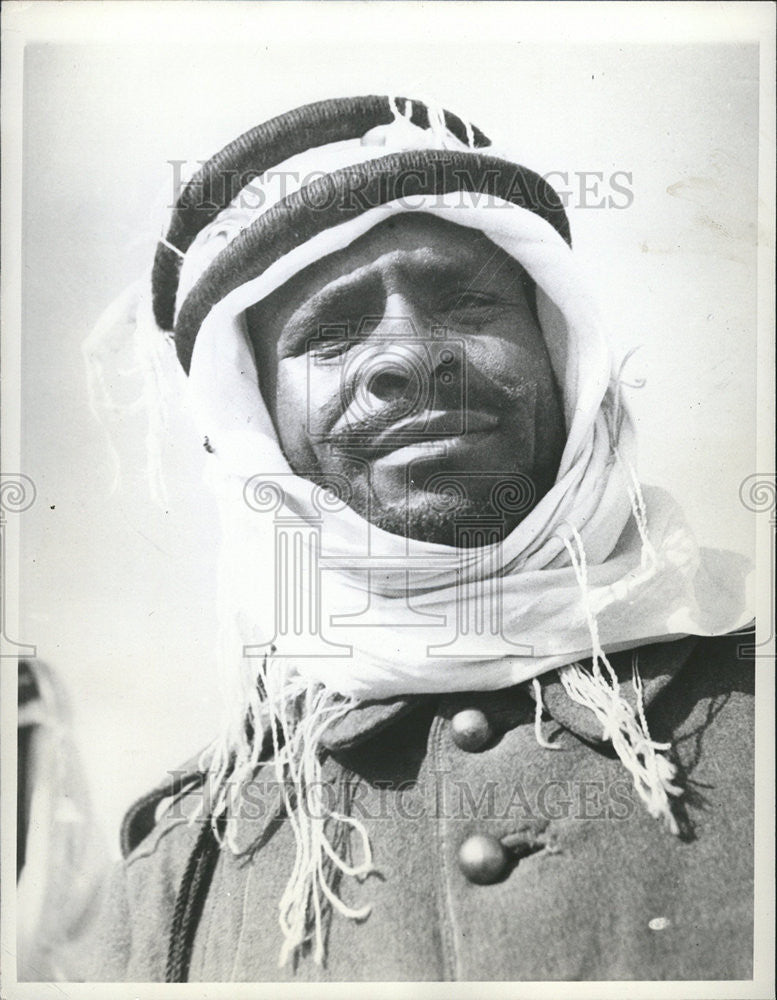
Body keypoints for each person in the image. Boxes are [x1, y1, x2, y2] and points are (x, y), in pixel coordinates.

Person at [85, 95, 754, 982]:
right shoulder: (179, 872)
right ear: (257, 430)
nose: (410, 357)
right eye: (329, 334)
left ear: (562, 355)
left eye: (467, 304)